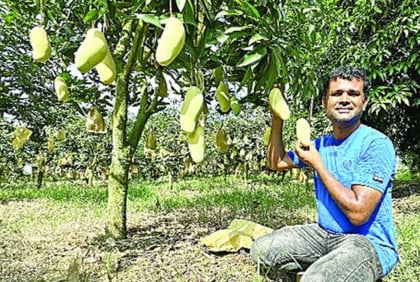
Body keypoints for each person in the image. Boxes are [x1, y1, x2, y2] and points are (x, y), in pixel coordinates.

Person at [250, 65, 399, 282]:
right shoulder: (321, 144)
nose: (345, 99)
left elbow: (358, 214)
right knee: (262, 250)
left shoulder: (376, 144)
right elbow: (277, 162)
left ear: (364, 102)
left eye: (353, 94)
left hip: (367, 243)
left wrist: (318, 165)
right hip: (324, 235)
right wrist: (276, 118)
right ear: (324, 102)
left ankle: (333, 273)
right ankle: (331, 269)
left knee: (317, 280)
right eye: (337, 94)